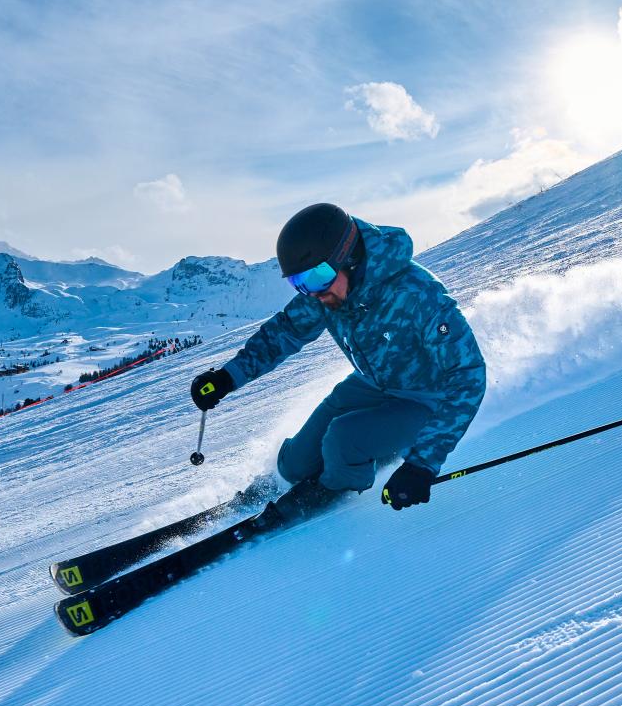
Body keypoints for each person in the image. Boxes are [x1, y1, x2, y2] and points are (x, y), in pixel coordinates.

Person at [190, 203, 485, 510]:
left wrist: (422, 465)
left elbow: (469, 375)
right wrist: (227, 377)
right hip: (372, 383)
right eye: (298, 283)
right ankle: (295, 481)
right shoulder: (326, 291)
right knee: (294, 463)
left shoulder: (417, 294)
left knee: (342, 441)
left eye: (317, 277)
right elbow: (285, 332)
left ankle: (331, 492)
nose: (312, 292)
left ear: (350, 258)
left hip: (425, 398)